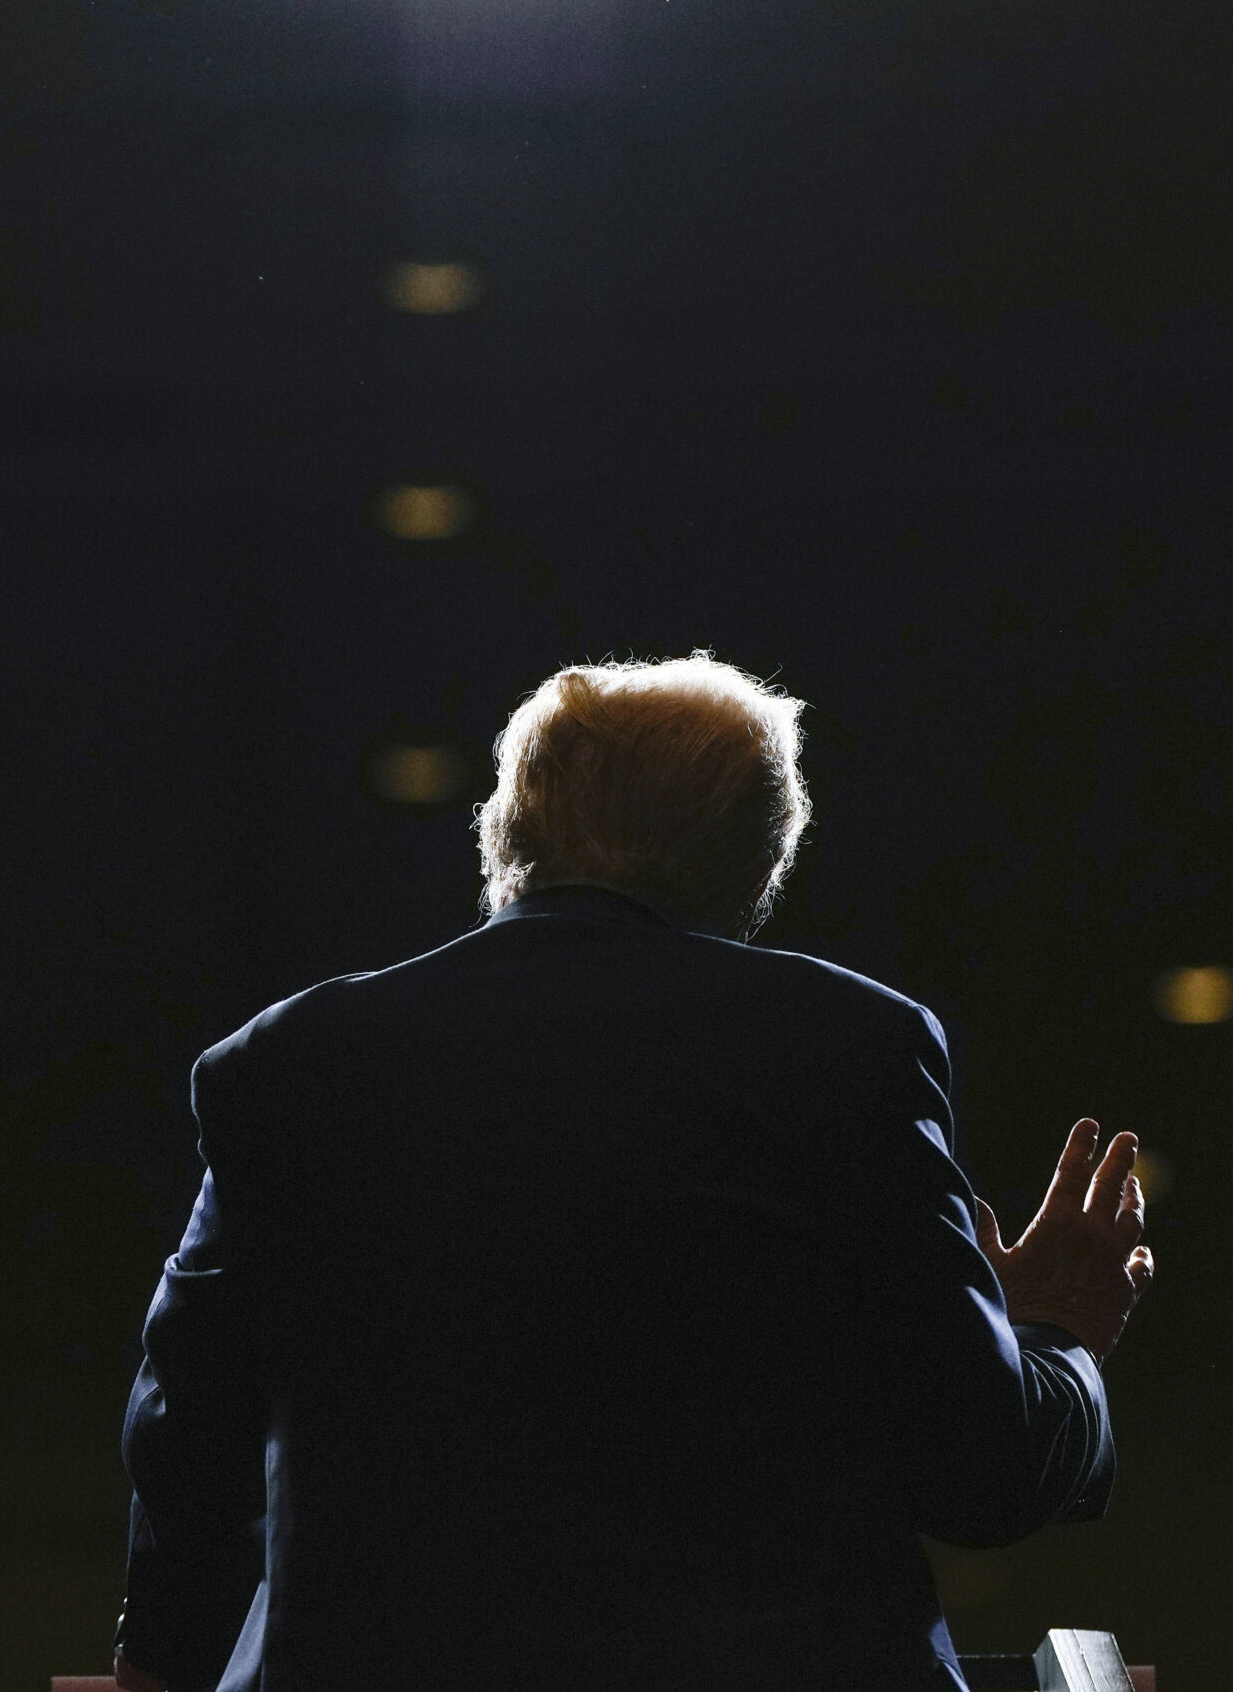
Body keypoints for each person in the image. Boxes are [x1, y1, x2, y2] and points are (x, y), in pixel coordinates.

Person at [114, 652, 1153, 1692]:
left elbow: (183, 1442)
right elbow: (978, 1473)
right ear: (758, 859)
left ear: (504, 831)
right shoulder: (847, 1045)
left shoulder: (287, 1059)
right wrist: (1053, 1336)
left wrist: (161, 1662)